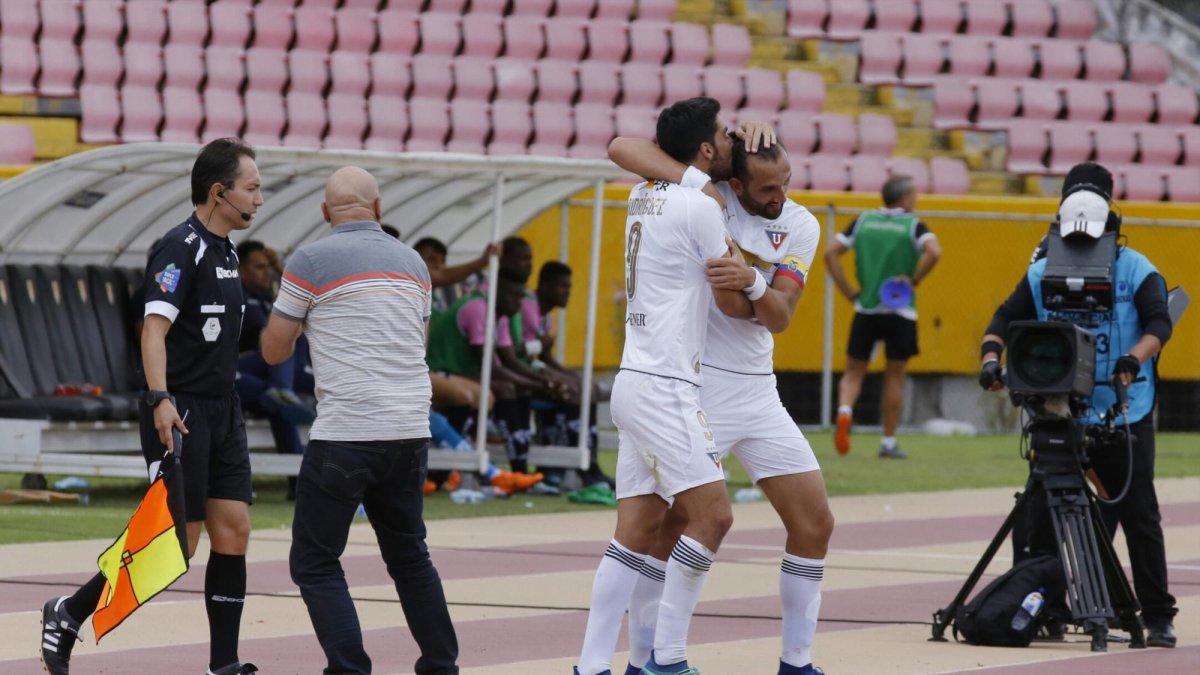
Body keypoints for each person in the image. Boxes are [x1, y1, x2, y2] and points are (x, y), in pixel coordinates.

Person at [606, 128, 833, 675]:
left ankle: (796, 663)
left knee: (815, 522)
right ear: (735, 183)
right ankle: (649, 660)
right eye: (767, 189)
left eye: (786, 184)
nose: (779, 197)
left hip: (758, 390)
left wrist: (754, 281)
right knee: (673, 525)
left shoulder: (801, 223)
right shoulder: (707, 197)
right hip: (696, 385)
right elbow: (620, 148)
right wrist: (708, 169)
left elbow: (778, 317)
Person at [40, 138, 262, 675]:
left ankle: (224, 664)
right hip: (179, 409)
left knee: (233, 529)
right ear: (219, 192)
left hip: (222, 409)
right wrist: (161, 399)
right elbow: (153, 330)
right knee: (176, 545)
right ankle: (68, 611)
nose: (260, 199)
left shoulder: (229, 251)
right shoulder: (179, 248)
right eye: (252, 188)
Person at [260, 166, 459, 675]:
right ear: (379, 208)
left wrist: (308, 320)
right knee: (410, 556)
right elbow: (416, 343)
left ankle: (350, 668)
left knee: (315, 560)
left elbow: (273, 349)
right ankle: (440, 665)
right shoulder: (414, 262)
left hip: (347, 431)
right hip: (410, 429)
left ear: (326, 213)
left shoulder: (310, 260)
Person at [978, 162, 1177, 649]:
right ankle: (1043, 603)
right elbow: (1005, 316)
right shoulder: (1042, 270)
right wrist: (990, 359)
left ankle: (1156, 615)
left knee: (1137, 513)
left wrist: (1134, 359)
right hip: (1058, 410)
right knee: (1040, 512)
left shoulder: (1138, 268)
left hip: (1124, 411)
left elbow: (1160, 321)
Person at [576, 96, 738, 675]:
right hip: (668, 382)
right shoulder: (700, 208)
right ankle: (666, 660)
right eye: (723, 134)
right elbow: (732, 295)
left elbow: (626, 148)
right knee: (714, 518)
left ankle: (595, 665)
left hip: (634, 377)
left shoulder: (642, 192)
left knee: (635, 533)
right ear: (703, 149)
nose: (730, 141)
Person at [823, 175, 941, 459]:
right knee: (895, 376)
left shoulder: (863, 221)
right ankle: (888, 442)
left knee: (853, 372)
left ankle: (844, 412)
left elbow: (830, 254)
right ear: (904, 198)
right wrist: (913, 280)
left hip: (866, 308)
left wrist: (849, 291)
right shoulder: (913, 225)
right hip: (900, 310)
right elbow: (934, 252)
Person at [234, 239, 315, 499]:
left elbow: (304, 298)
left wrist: (281, 267)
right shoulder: (236, 295)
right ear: (242, 271)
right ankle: (283, 392)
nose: (267, 272)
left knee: (278, 405)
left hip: (268, 374)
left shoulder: (266, 298)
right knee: (284, 337)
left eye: (269, 267)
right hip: (238, 369)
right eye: (259, 267)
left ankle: (281, 393)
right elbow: (265, 337)